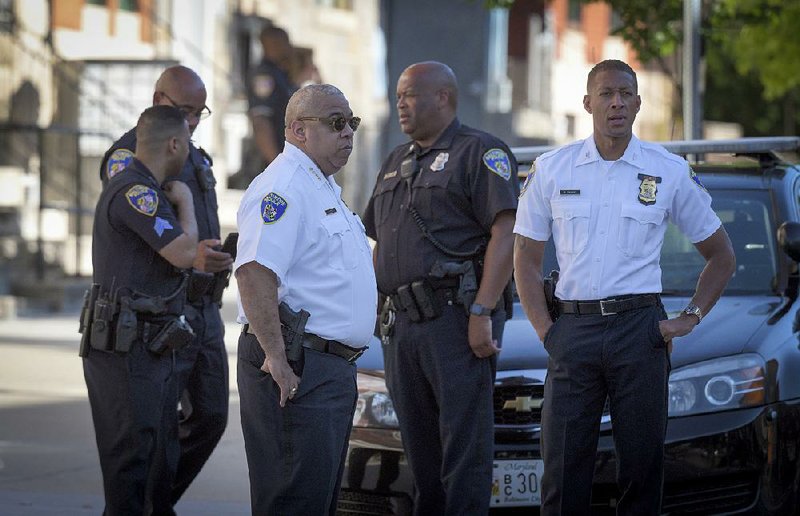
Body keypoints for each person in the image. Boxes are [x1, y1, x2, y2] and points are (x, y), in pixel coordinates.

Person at [513, 59, 737, 515]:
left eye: (625, 94)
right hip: (571, 332)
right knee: (561, 471)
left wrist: (688, 319)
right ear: (588, 102)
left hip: (640, 332)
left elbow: (722, 256)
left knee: (641, 469)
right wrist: (546, 332)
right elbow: (525, 257)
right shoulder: (553, 169)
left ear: (637, 103)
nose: (616, 102)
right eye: (606, 93)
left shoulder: (667, 170)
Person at [363, 61, 519, 514]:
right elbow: (381, 241)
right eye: (397, 97)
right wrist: (374, 310)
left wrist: (482, 311)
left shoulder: (481, 152)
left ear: (443, 97)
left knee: (463, 453)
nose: (400, 106)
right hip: (402, 327)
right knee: (420, 454)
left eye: (409, 95)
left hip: (454, 319)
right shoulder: (396, 161)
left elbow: (505, 234)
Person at [234, 83, 377, 514]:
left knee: (316, 501)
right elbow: (255, 273)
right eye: (336, 123)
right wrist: (276, 358)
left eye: (351, 122)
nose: (348, 133)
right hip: (297, 366)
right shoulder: (282, 187)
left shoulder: (321, 186)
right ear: (298, 129)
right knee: (293, 500)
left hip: (327, 369)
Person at [98, 65, 232, 509]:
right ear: (159, 103)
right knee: (146, 438)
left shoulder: (194, 156)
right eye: (185, 111)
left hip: (202, 306)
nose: (193, 122)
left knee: (210, 417)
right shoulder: (131, 159)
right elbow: (166, 241)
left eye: (200, 112)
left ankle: (154, 503)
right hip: (158, 313)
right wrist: (191, 250)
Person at [82, 105, 198, 515]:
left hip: (145, 345)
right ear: (174, 144)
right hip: (125, 348)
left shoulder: (140, 187)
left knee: (155, 467)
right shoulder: (136, 191)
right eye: (187, 142)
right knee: (131, 470)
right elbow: (184, 253)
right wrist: (186, 202)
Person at [230, 25, 297, 189]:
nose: (289, 47)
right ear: (273, 44)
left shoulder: (281, 74)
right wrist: (277, 164)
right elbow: (261, 122)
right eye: (285, 42)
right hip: (268, 165)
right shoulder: (264, 75)